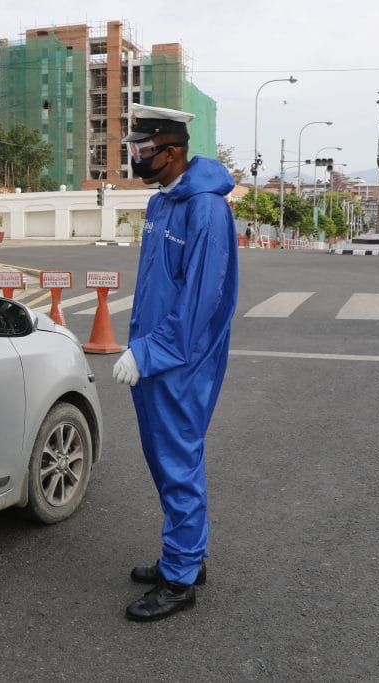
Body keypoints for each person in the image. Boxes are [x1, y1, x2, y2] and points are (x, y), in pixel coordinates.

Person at [112, 103, 238, 622]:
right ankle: (186, 556)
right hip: (152, 354)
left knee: (178, 463)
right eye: (134, 150)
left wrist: (148, 352)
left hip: (179, 361)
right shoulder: (161, 204)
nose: (137, 158)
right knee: (164, 460)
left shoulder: (205, 210)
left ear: (172, 152)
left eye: (144, 150)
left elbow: (199, 299)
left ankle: (181, 580)